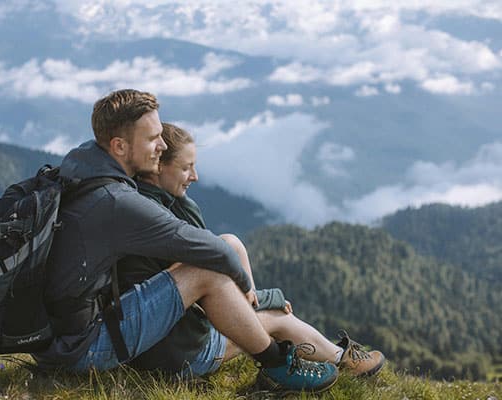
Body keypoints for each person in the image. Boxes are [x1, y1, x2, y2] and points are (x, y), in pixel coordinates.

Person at [33, 89, 340, 394]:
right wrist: (251, 291)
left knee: (213, 260)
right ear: (119, 146)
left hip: (59, 338)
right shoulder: (118, 202)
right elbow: (210, 250)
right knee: (205, 268)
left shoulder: (82, 166)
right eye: (153, 138)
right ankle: (277, 365)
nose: (162, 145)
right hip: (82, 348)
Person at [119, 122, 385, 379]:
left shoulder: (147, 201)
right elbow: (205, 286)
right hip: (180, 355)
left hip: (154, 339)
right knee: (280, 318)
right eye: (186, 167)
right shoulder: (164, 221)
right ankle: (345, 361)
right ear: (158, 167)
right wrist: (273, 299)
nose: (195, 176)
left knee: (230, 242)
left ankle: (266, 322)